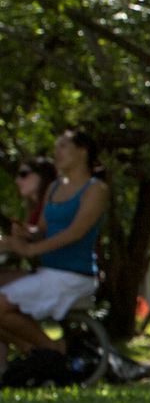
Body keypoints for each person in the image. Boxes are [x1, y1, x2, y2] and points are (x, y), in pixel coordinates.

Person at [0, 128, 111, 356]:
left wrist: (32, 249)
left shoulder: (95, 189)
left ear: (82, 151)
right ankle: (37, 351)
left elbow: (75, 233)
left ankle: (53, 349)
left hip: (73, 276)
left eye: (63, 146)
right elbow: (42, 229)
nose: (57, 152)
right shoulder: (54, 188)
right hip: (49, 272)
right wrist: (24, 234)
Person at [2, 155, 57, 292]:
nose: (18, 180)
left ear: (42, 175)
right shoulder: (33, 209)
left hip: (59, 275)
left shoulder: (53, 203)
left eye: (24, 174)